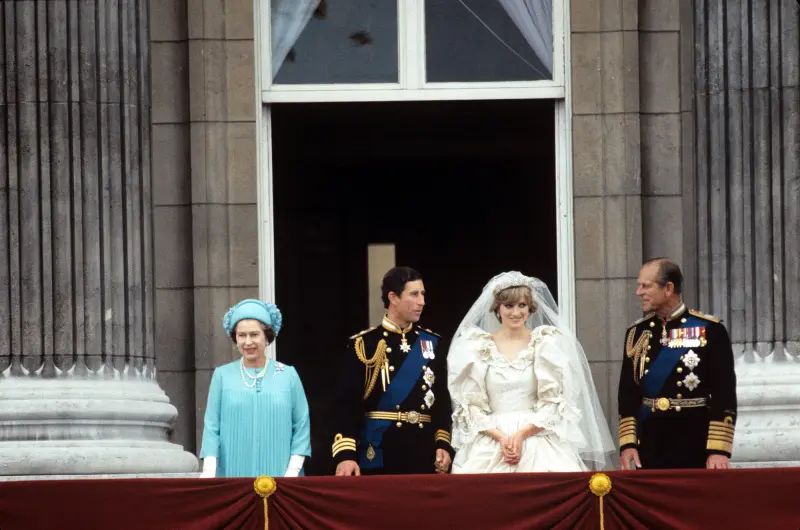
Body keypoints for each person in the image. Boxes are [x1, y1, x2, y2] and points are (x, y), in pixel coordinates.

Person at [447, 271, 615, 473]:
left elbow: (555, 401)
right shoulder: (475, 346)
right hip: (491, 439)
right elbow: (470, 406)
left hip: (537, 437)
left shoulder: (546, 343)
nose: (516, 312)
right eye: (509, 305)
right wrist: (501, 438)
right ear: (498, 308)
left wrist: (522, 435)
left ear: (530, 307)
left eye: (522, 305)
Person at [332, 267, 455, 476]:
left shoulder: (432, 344)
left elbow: (442, 403)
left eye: (423, 294)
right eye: (414, 294)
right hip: (380, 451)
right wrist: (346, 455)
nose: (422, 302)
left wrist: (443, 443)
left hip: (423, 452)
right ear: (393, 297)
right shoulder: (364, 344)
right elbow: (347, 406)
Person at [618, 258, 737, 470]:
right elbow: (628, 393)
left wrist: (718, 449)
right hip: (650, 443)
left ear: (668, 288)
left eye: (645, 286)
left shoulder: (710, 330)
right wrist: (628, 444)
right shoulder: (637, 333)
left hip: (694, 441)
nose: (638, 292)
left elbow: (724, 393)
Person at [199, 299, 311, 478]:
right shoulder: (222, 375)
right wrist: (209, 471)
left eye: (254, 334)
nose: (248, 342)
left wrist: (293, 470)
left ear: (267, 336)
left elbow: (301, 425)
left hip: (280, 474)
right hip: (232, 474)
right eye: (241, 335)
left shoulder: (288, 375)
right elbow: (212, 426)